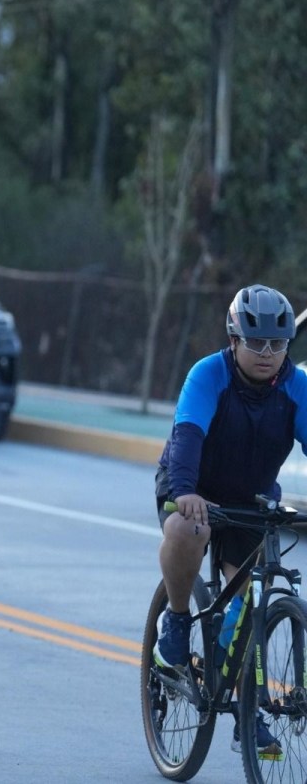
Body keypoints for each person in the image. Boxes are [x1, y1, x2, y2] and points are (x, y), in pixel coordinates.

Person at [153, 284, 307, 760]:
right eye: (256, 342)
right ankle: (177, 622)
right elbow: (187, 436)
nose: (268, 353)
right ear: (234, 339)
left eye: (278, 344)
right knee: (188, 529)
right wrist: (185, 492)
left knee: (252, 596)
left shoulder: (297, 387)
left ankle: (245, 706)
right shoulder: (208, 374)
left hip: (252, 500)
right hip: (193, 487)